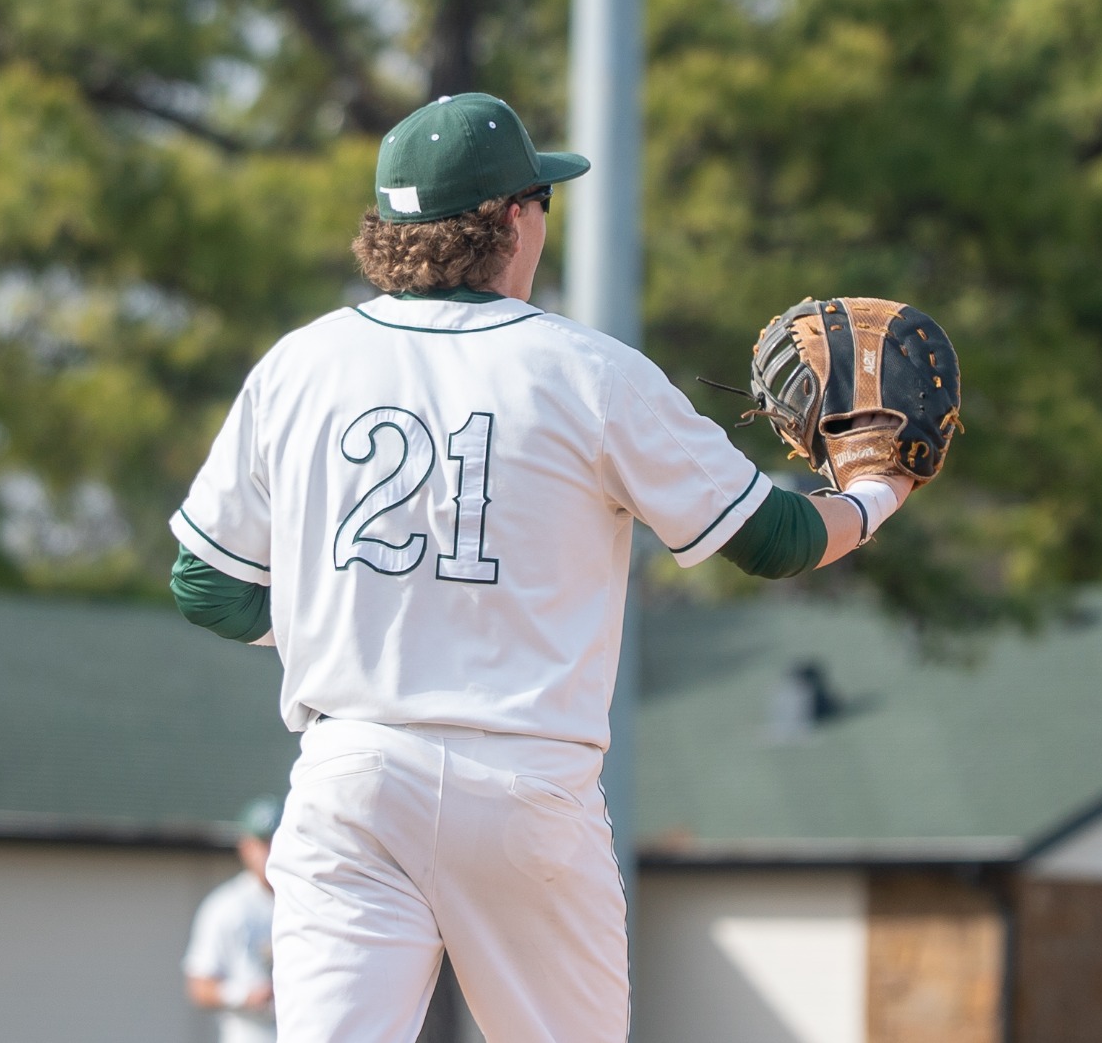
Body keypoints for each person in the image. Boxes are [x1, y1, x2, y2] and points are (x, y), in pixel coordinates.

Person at [168, 92, 913, 1042]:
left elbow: (208, 587)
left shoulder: (299, 364)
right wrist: (882, 487)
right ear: (513, 218)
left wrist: (339, 613)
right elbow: (776, 540)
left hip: (348, 776)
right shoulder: (585, 370)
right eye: (541, 203)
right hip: (520, 781)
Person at [182, 798, 281, 1043]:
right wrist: (244, 995)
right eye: (262, 843)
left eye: (276, 841)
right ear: (245, 847)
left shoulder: (309, 901)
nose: (269, 852)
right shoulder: (226, 907)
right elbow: (199, 985)